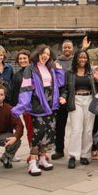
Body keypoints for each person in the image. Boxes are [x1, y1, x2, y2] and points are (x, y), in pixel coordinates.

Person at [12, 44, 64, 176]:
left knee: (47, 134)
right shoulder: (30, 69)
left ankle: (42, 159)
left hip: (50, 106)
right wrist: (21, 106)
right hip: (38, 106)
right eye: (43, 53)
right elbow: (26, 88)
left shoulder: (50, 68)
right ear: (38, 54)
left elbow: (59, 83)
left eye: (48, 54)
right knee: (37, 135)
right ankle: (32, 163)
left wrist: (58, 70)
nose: (45, 55)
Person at [60, 50, 97, 169]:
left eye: (85, 57)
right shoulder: (69, 73)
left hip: (89, 100)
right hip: (75, 100)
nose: (82, 59)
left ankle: (85, 155)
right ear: (76, 58)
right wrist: (63, 97)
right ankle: (73, 156)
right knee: (76, 129)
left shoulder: (91, 72)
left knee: (88, 129)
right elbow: (66, 88)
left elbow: (97, 87)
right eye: (80, 57)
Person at [51, 40, 74, 160]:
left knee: (77, 126)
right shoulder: (56, 62)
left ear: (72, 48)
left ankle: (78, 150)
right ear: (62, 49)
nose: (67, 49)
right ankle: (59, 149)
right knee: (60, 126)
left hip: (74, 96)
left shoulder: (76, 61)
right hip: (61, 97)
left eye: (69, 47)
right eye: (65, 47)